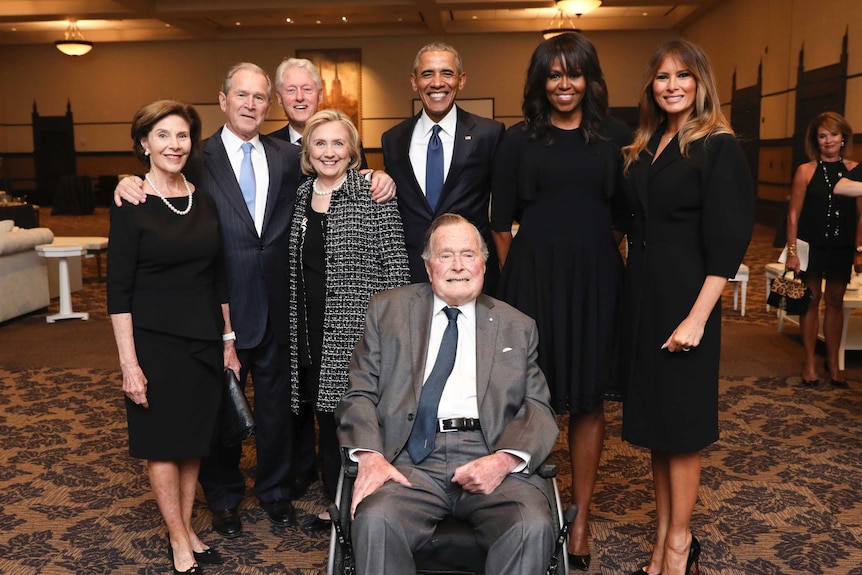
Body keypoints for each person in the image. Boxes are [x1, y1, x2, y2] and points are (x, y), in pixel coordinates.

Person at [113, 63, 397, 538]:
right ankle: (223, 498)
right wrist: (129, 179)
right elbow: (158, 174)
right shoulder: (194, 155)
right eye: (240, 96)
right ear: (222, 100)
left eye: (259, 97)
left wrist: (377, 177)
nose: (250, 105)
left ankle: (275, 491)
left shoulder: (289, 155)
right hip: (214, 308)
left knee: (275, 408)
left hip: (281, 305)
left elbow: (333, 179)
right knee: (217, 408)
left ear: (271, 105)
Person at [335, 214, 560, 575]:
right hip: (409, 458)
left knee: (530, 525)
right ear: (427, 266)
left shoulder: (517, 325)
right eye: (445, 256)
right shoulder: (387, 311)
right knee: (376, 520)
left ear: (483, 263)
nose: (458, 266)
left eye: (468, 255)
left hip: (489, 453)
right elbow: (358, 393)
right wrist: (371, 456)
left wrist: (503, 461)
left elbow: (537, 407)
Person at [489, 32, 630, 571]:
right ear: (540, 81)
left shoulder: (616, 136)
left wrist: (594, 262)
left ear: (589, 79)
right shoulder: (520, 139)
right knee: (531, 398)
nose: (564, 84)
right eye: (554, 74)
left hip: (596, 280)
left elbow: (623, 220)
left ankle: (582, 516)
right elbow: (500, 223)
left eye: (574, 74)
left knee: (589, 401)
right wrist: (522, 280)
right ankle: (530, 509)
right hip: (532, 282)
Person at [620, 39, 754, 575]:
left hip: (687, 301)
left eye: (683, 76)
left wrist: (697, 317)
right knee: (657, 429)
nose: (671, 85)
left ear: (701, 83)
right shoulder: (646, 143)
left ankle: (679, 545)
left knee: (682, 430)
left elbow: (727, 245)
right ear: (651, 87)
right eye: (661, 77)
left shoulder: (718, 146)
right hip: (644, 299)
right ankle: (663, 538)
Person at [108, 99, 234, 574]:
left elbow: (217, 277)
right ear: (144, 143)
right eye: (163, 135)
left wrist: (228, 340)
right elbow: (117, 291)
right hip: (153, 342)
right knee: (162, 442)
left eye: (181, 136)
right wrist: (129, 363)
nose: (174, 145)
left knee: (192, 440)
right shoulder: (131, 201)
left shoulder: (201, 198)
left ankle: (185, 525)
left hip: (202, 339)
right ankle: (178, 536)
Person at [287, 109, 410, 527]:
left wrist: (396, 337)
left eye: (338, 143)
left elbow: (396, 269)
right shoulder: (301, 195)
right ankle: (335, 501)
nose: (329, 152)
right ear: (307, 151)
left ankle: (367, 503)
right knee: (324, 418)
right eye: (320, 143)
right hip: (310, 327)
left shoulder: (371, 192)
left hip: (358, 332)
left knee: (357, 420)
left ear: (353, 150)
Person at [381, 42, 504, 292]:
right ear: (414, 82)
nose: (437, 83)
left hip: (468, 272)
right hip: (410, 272)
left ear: (461, 80)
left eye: (447, 73)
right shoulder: (393, 139)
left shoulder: (488, 134)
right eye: (427, 74)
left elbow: (503, 207)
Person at [784, 112, 860, 388]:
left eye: (834, 135)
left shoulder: (855, 169)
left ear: (844, 138)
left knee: (836, 301)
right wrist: (792, 251)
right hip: (811, 246)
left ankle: (833, 362)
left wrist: (859, 250)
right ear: (816, 141)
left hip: (842, 246)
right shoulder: (805, 170)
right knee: (811, 300)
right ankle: (810, 361)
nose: (828, 140)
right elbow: (793, 214)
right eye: (822, 135)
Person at [270, 57, 369, 169]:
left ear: (320, 95)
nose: (299, 97)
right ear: (279, 98)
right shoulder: (269, 146)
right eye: (291, 90)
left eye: (307, 89)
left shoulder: (348, 141)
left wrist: (377, 175)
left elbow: (362, 180)